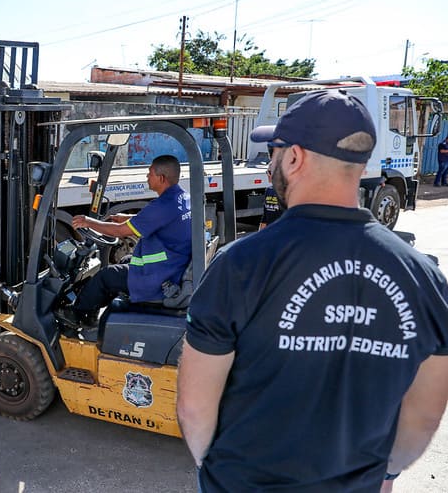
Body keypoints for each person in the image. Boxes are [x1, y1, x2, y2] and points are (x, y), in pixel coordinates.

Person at [176, 89, 448, 492]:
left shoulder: (240, 264)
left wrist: (215, 472)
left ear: (294, 157)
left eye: (273, 153)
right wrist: (384, 475)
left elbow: (194, 407)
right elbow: (424, 417)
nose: (270, 164)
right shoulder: (426, 279)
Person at [70, 154, 192, 320]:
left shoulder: (162, 206)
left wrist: (88, 222)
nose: (147, 177)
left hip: (160, 279)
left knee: (106, 276)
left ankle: (77, 315)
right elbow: (158, 220)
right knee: (126, 260)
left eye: (150, 173)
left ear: (161, 178)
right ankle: (101, 313)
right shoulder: (182, 198)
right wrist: (128, 218)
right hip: (173, 267)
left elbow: (120, 231)